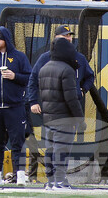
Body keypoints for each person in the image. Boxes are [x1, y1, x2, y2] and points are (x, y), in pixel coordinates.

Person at [0, 27, 31, 184]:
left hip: (14, 107)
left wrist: (14, 76)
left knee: (17, 142)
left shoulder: (19, 57)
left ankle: (20, 174)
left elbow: (29, 78)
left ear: (6, 39)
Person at [37, 37, 84, 190]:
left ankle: (50, 182)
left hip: (48, 118)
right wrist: (80, 119)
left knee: (50, 151)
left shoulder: (44, 69)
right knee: (61, 151)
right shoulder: (67, 70)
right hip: (64, 119)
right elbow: (71, 98)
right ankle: (59, 181)